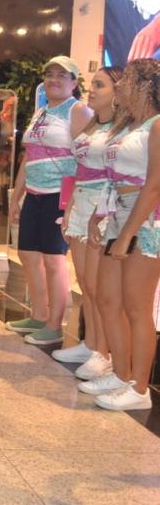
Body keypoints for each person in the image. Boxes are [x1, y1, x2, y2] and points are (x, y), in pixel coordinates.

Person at [84, 58, 160, 411]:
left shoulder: (157, 125)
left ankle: (139, 388)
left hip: (145, 223)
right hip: (117, 215)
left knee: (136, 306)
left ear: (145, 85)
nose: (121, 85)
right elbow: (113, 176)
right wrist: (100, 217)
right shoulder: (131, 125)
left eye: (127, 79)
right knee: (107, 299)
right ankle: (120, 373)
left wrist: (129, 234)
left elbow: (154, 185)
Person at [7, 56, 93, 345]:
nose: (54, 79)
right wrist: (16, 197)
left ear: (73, 82)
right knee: (28, 255)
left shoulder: (78, 110)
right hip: (34, 193)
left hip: (59, 195)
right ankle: (39, 315)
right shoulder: (41, 111)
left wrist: (73, 201)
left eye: (62, 75)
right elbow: (28, 157)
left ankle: (55, 324)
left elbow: (86, 159)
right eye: (49, 74)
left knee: (54, 260)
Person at [55, 67, 123, 381]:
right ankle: (91, 343)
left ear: (117, 91)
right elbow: (78, 169)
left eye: (99, 85)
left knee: (98, 286)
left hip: (102, 208)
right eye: (91, 84)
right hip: (81, 202)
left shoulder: (123, 129)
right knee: (84, 282)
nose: (91, 90)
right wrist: (69, 207)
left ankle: (104, 353)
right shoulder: (93, 123)